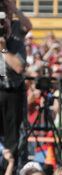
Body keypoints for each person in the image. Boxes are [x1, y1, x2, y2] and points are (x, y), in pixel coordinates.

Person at [0, 15, 26, 163]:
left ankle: (11, 168)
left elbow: (18, 67)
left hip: (12, 93)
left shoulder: (16, 43)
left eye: (4, 25)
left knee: (12, 137)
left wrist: (4, 50)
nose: (2, 29)